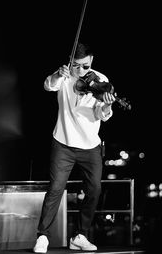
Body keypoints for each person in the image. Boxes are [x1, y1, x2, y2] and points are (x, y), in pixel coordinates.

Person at [33, 43, 116, 253]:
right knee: (56, 188)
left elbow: (100, 114)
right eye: (76, 66)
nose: (81, 72)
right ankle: (42, 236)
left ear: (92, 61)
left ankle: (79, 235)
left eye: (85, 66)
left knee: (94, 189)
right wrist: (58, 74)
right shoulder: (64, 76)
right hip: (63, 142)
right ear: (71, 61)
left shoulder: (101, 80)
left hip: (90, 145)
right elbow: (48, 85)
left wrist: (106, 105)